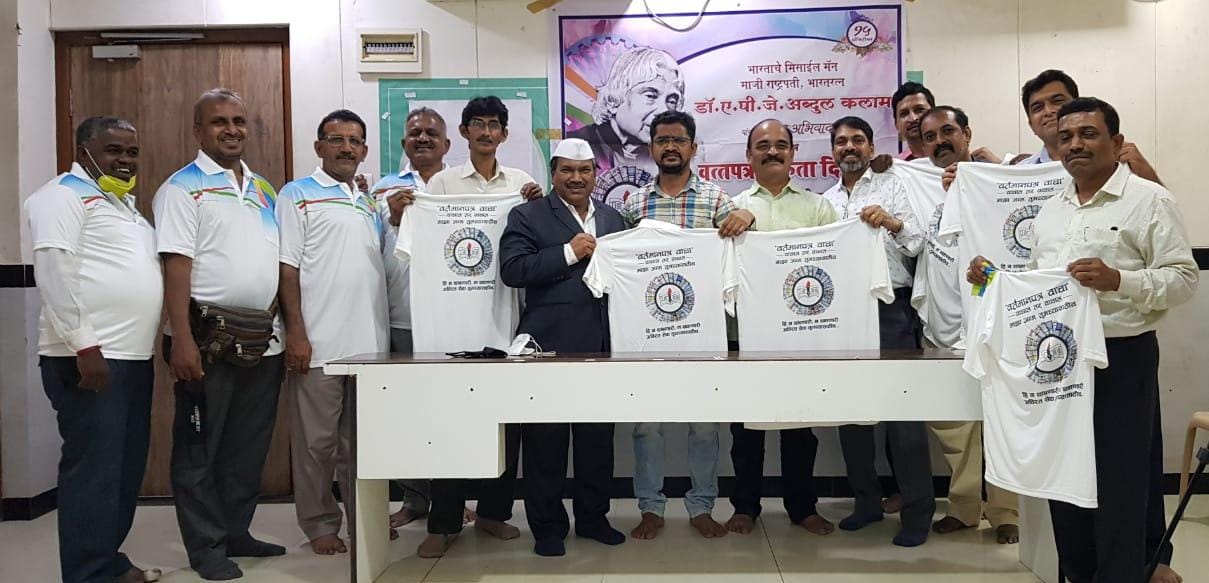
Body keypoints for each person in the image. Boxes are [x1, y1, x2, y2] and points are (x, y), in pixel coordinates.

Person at [967, 97, 1197, 583]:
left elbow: (1183, 278)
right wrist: (994, 281)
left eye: (1088, 134)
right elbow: (1042, 288)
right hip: (1060, 363)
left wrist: (1120, 280)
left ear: (1116, 142)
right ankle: (1078, 572)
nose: (1075, 144)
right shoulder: (1052, 210)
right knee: (1063, 472)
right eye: (1066, 136)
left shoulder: (1149, 200)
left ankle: (1122, 573)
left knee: (1119, 479)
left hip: (1121, 356)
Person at [154, 88, 287, 581]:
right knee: (200, 449)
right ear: (198, 131)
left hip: (262, 339)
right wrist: (181, 340)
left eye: (238, 121)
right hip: (205, 340)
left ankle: (236, 531)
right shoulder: (181, 189)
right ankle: (206, 547)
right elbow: (175, 267)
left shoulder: (264, 189)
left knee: (247, 447)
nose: (231, 130)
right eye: (218, 122)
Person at [26, 117, 162, 583]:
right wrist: (85, 345)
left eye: (131, 152)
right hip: (89, 358)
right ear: (83, 151)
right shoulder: (61, 196)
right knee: (93, 471)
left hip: (132, 357)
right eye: (113, 150)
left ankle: (107, 561)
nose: (124, 160)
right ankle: (87, 573)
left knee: (123, 470)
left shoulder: (122, 205)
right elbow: (54, 271)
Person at [620, 110, 757, 541]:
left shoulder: (716, 200)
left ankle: (701, 507)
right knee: (648, 425)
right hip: (649, 334)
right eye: (662, 140)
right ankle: (650, 508)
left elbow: (746, 248)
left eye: (679, 140)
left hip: (704, 333)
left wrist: (747, 217)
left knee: (704, 424)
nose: (670, 147)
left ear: (693, 147)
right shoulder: (634, 204)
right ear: (651, 148)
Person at [417, 95, 542, 559]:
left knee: (505, 424)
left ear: (505, 134)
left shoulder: (523, 184)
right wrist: (407, 211)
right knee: (448, 423)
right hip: (452, 325)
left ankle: (493, 513)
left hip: (505, 319)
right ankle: (443, 522)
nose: (486, 132)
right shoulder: (441, 184)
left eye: (494, 125)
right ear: (465, 132)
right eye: (478, 124)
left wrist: (537, 205)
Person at [498, 138, 628, 557]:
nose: (576, 177)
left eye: (584, 170)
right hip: (547, 348)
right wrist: (568, 253)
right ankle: (548, 528)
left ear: (595, 174)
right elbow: (513, 269)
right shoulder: (528, 215)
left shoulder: (613, 218)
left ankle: (593, 519)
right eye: (567, 170)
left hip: (602, 348)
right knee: (545, 444)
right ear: (553, 173)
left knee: (597, 442)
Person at [277, 109, 389, 555]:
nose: (346, 148)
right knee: (316, 444)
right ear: (318, 146)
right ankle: (320, 523)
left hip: (370, 347)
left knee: (361, 444)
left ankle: (366, 519)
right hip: (320, 345)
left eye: (354, 141)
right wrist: (296, 333)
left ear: (364, 150)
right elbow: (287, 268)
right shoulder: (296, 195)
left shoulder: (366, 200)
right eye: (336, 139)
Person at [820, 116, 934, 548]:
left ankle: (917, 513)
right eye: (841, 141)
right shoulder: (827, 201)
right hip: (844, 314)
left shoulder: (893, 185)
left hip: (891, 311)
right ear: (833, 151)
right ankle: (866, 502)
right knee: (852, 416)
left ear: (871, 147)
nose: (849, 147)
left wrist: (891, 222)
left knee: (903, 417)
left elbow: (918, 242)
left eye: (857, 140)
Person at [724, 119, 838, 538]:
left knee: (800, 428)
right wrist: (731, 225)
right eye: (762, 145)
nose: (772, 151)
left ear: (793, 153)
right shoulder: (732, 206)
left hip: (801, 336)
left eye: (780, 145)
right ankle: (745, 507)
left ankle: (802, 507)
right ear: (748, 155)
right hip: (745, 336)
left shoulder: (818, 208)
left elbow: (835, 262)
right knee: (745, 430)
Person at [918, 105, 1022, 545]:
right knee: (953, 424)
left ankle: (1006, 512)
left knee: (1000, 420)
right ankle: (962, 507)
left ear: (967, 133)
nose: (940, 141)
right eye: (930, 136)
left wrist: (988, 175)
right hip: (942, 324)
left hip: (992, 322)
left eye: (948, 131)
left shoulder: (997, 178)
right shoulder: (919, 184)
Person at [367, 107, 452, 528]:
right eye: (415, 133)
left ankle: (451, 501)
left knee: (448, 415)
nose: (423, 138)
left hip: (451, 322)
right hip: (401, 319)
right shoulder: (380, 191)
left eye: (431, 133)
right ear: (404, 143)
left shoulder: (461, 186)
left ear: (446, 144)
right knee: (406, 416)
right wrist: (396, 218)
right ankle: (415, 499)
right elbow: (370, 247)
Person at [568, 46, 685, 173]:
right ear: (615, 97)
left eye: (672, 101)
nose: (663, 111)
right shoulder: (575, 145)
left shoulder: (671, 154)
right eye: (650, 96)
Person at [890, 81, 935, 161]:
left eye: (919, 110)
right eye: (904, 114)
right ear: (896, 124)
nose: (913, 118)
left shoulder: (954, 157)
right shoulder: (896, 166)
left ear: (935, 114)